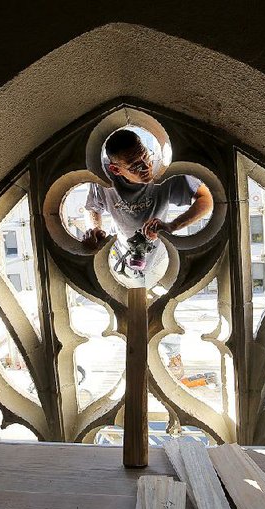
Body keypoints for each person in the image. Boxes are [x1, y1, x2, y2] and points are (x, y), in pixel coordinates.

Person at [82, 129, 213, 378]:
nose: (146, 168)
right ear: (115, 170)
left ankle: (172, 361)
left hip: (159, 259)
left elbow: (205, 200)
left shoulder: (164, 175)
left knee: (163, 310)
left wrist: (172, 226)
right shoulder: (103, 181)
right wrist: (94, 229)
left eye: (146, 157)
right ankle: (134, 369)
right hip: (121, 258)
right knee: (127, 319)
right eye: (135, 165)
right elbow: (92, 207)